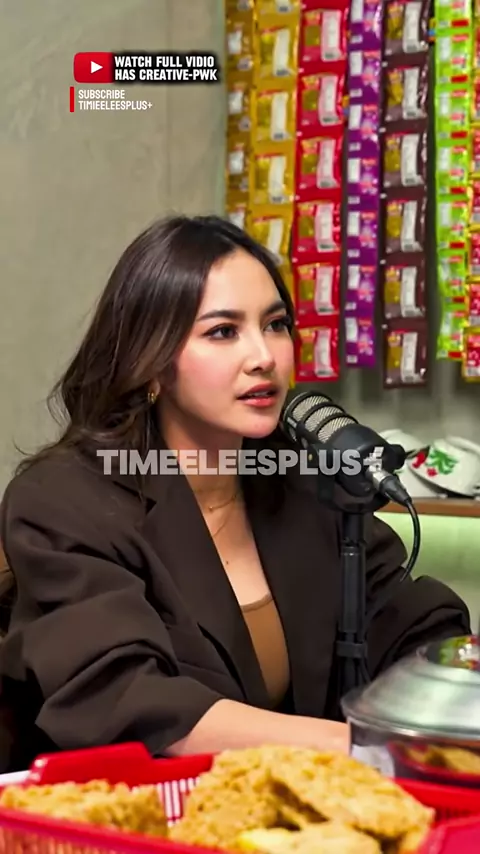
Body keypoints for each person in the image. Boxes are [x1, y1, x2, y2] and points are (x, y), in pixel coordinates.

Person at [0, 215, 470, 772]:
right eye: (223, 331)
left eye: (275, 325)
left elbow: (414, 625)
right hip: (124, 807)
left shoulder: (300, 479)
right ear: (151, 362)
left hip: (290, 803)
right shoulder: (63, 499)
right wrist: (364, 750)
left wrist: (453, 693)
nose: (264, 356)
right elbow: (136, 704)